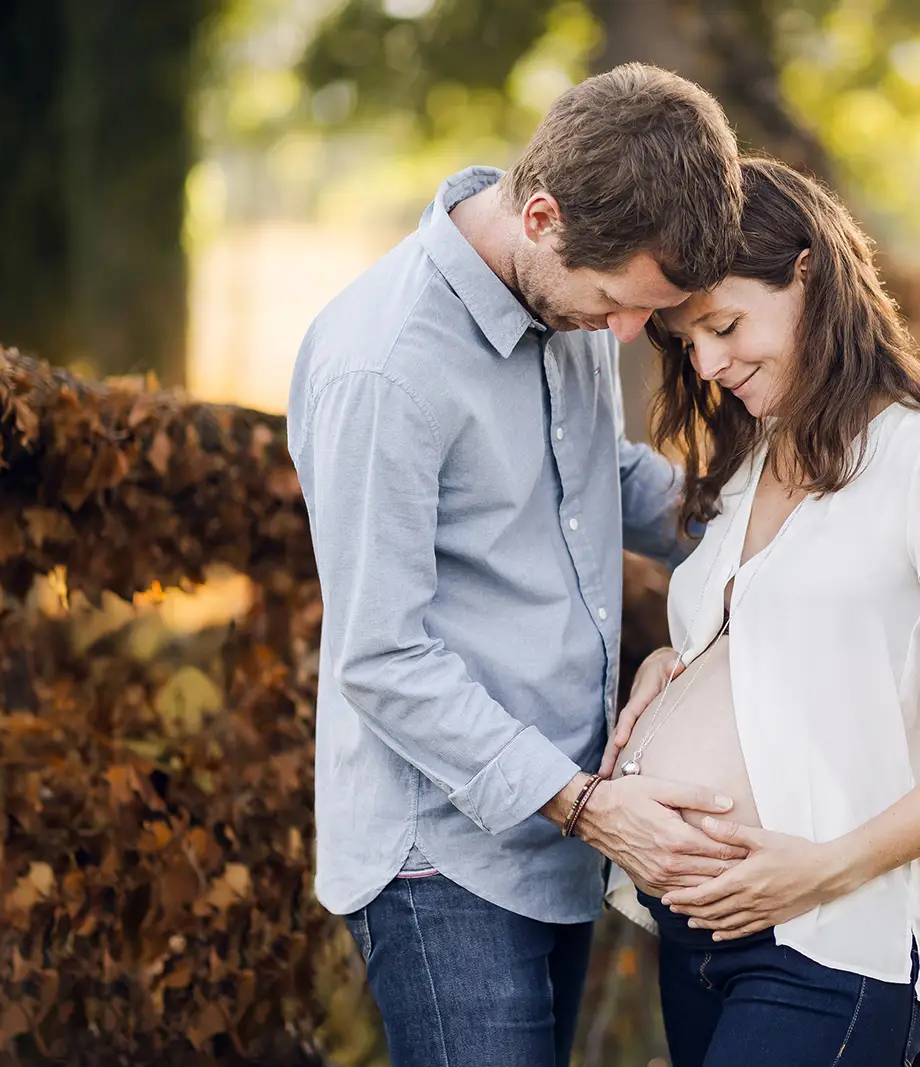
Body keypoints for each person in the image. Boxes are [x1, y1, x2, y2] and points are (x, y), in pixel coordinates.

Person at [286, 64, 751, 1067]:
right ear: (541, 216)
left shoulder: (560, 296)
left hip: (561, 827)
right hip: (440, 855)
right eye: (620, 304)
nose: (631, 333)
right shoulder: (386, 367)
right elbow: (382, 659)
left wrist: (769, 530)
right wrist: (584, 801)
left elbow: (598, 471)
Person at [591, 158, 920, 1067]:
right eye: (689, 341)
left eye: (726, 326)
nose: (709, 363)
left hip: (830, 946)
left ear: (808, 272)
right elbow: (777, 651)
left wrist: (829, 863)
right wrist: (679, 667)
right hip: (697, 943)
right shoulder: (745, 468)